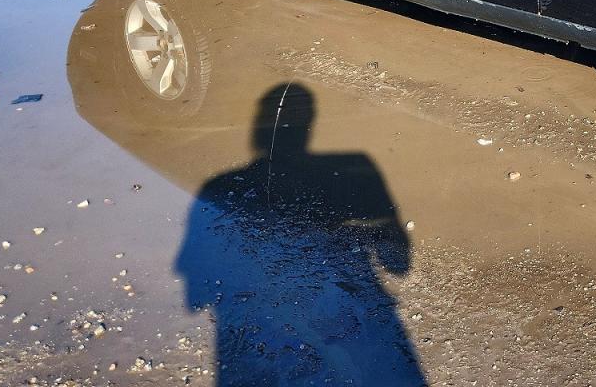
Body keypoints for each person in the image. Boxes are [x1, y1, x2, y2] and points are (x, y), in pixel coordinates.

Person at [175, 83, 425, 385]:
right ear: (310, 124)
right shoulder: (356, 167)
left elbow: (194, 296)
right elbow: (398, 264)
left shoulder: (218, 187)